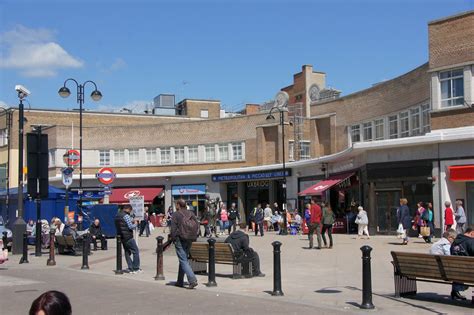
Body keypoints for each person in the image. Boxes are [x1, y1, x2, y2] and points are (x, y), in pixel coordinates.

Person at [171, 198, 199, 289]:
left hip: (180, 238)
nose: (176, 206)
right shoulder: (191, 213)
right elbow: (197, 225)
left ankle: (192, 280)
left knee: (183, 260)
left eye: (176, 204)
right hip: (190, 238)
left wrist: (173, 238)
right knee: (183, 259)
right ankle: (180, 281)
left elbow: (173, 229)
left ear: (178, 205)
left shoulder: (176, 214)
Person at [114, 205, 141, 274]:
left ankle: (130, 267)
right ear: (128, 209)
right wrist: (136, 223)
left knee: (127, 252)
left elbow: (122, 224)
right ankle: (135, 267)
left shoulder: (117, 215)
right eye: (130, 210)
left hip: (121, 237)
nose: (130, 212)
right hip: (128, 236)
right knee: (136, 251)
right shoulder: (126, 216)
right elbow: (130, 227)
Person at [450, 226, 474, 300]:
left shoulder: (455, 241)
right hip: (469, 272)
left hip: (456, 270)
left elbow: (451, 252)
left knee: (458, 266)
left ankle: (455, 290)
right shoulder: (471, 241)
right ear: (472, 233)